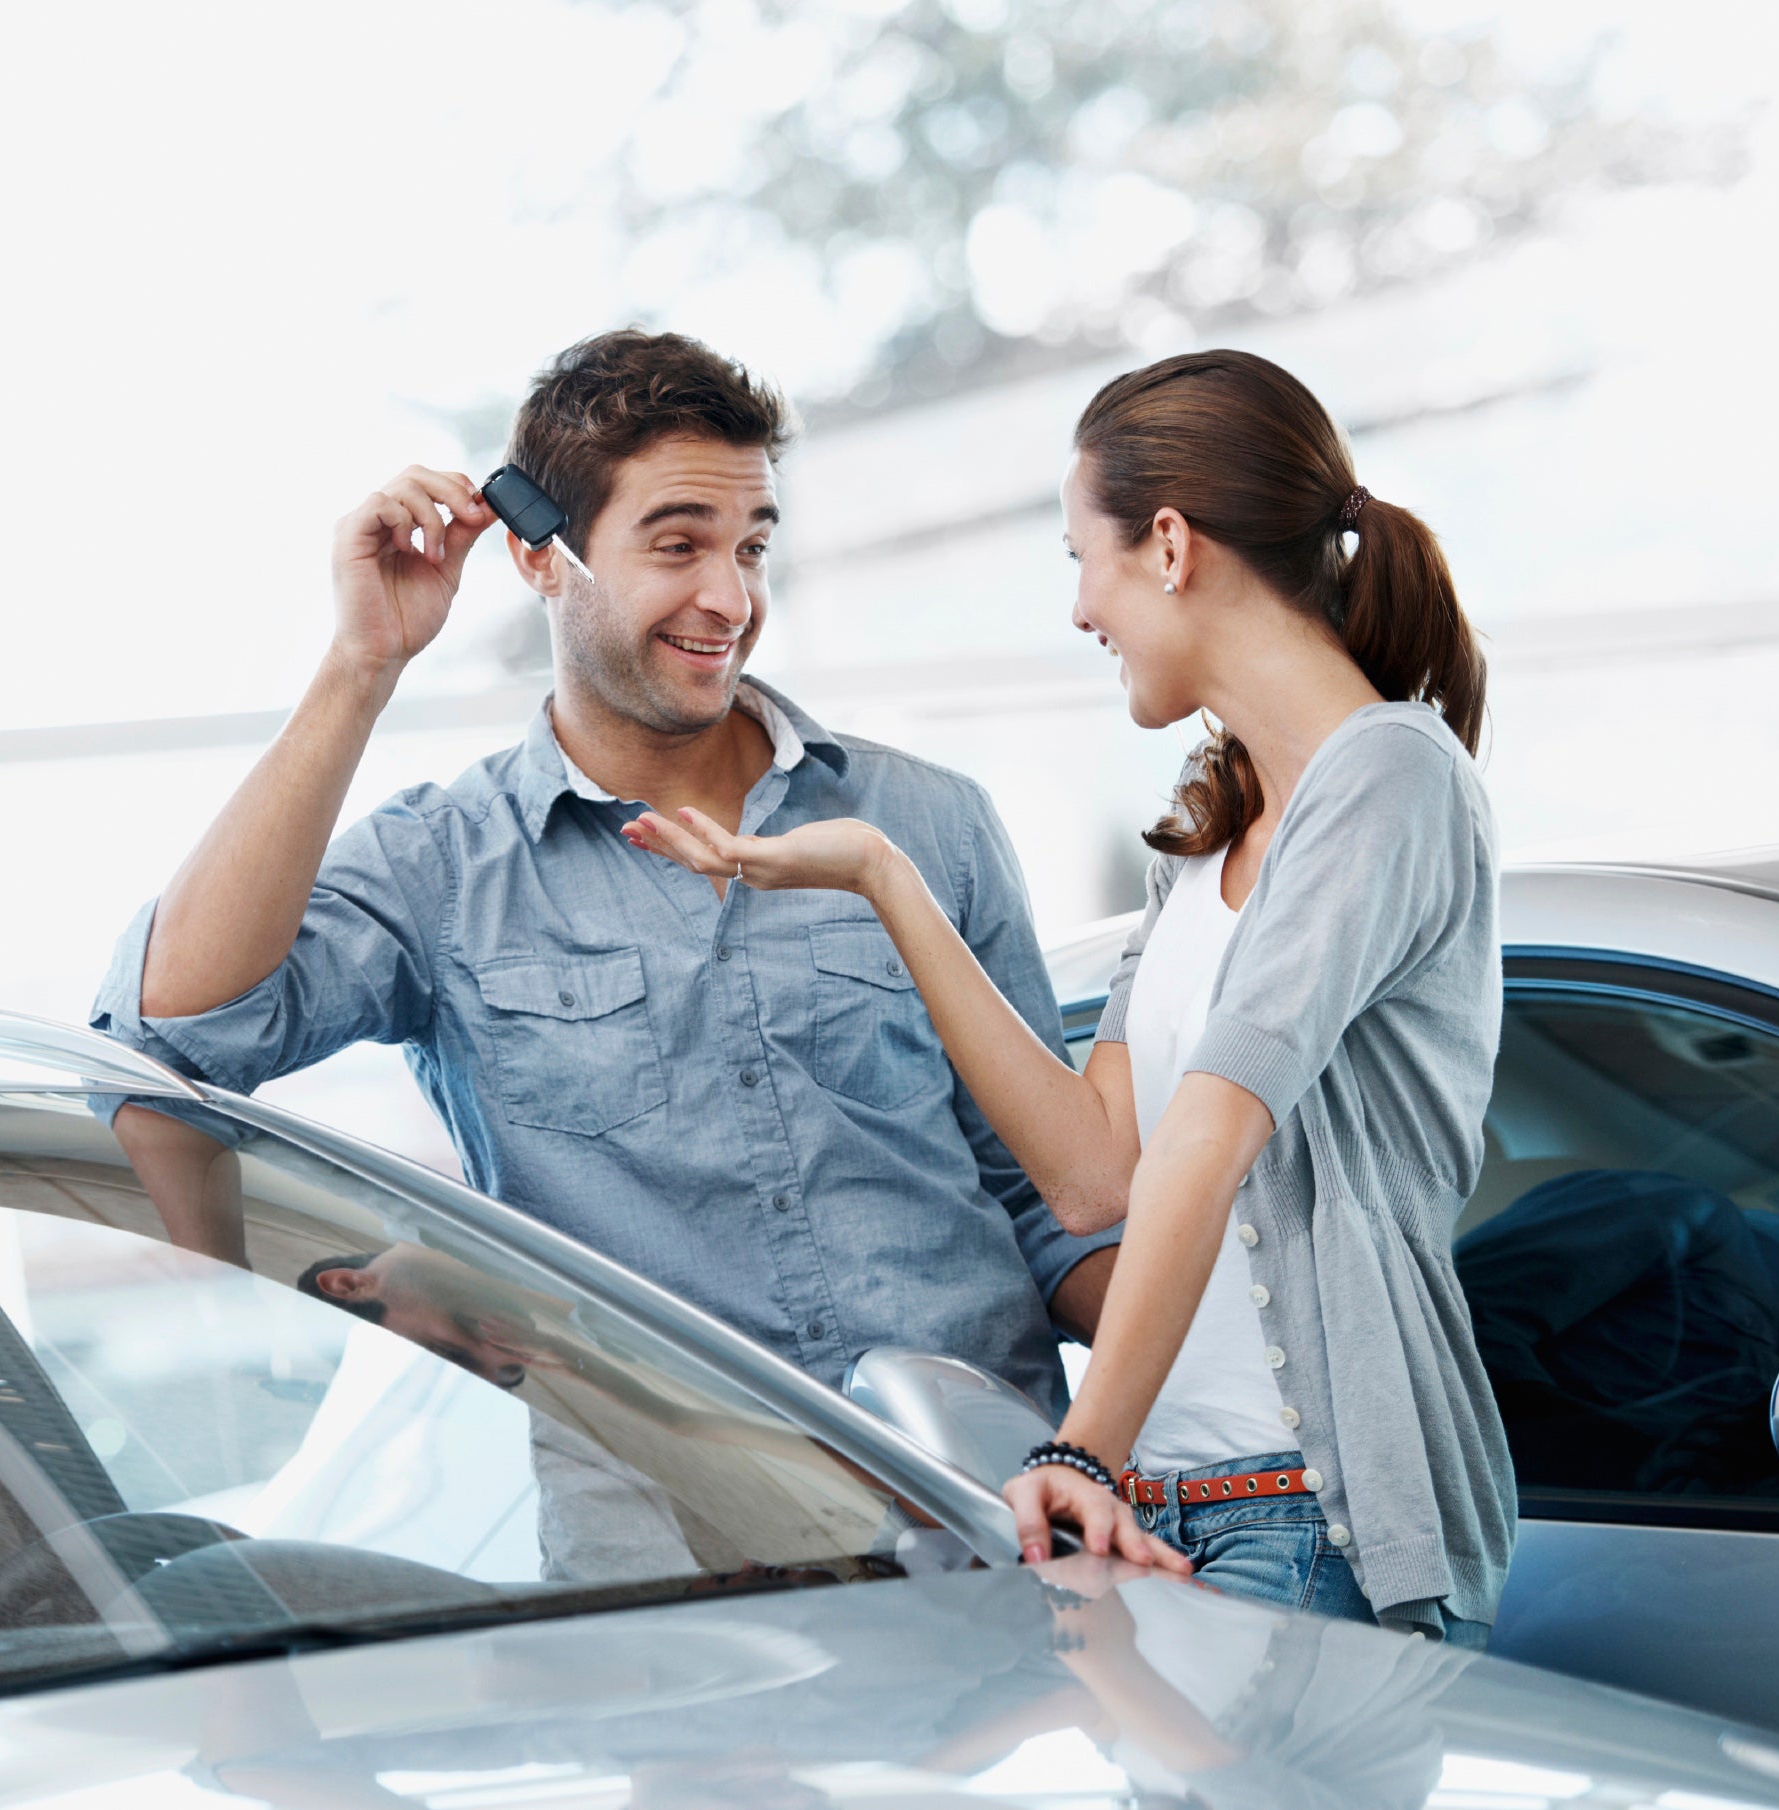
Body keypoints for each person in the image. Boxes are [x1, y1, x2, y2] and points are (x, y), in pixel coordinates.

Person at [629, 349, 1511, 1639]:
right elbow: (1097, 1175)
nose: (1081, 610)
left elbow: (1210, 1133)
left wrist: (1080, 1449)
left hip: (1316, 1519)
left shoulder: (1390, 775)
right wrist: (885, 877)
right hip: (1165, 1516)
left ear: (1167, 544)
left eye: (1076, 559)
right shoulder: (1212, 839)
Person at [91, 327, 1117, 1415]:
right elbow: (170, 1028)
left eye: (752, 548)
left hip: (998, 1505)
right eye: (678, 548)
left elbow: (1050, 1209)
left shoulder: (927, 822)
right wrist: (362, 665)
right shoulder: (442, 870)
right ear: (541, 554)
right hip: (678, 1547)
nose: (730, 599)